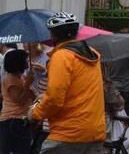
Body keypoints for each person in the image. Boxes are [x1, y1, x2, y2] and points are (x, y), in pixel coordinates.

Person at [28, 12, 106, 153]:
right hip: (94, 132)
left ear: (53, 35)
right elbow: (77, 90)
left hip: (68, 134)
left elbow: (55, 99)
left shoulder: (62, 57)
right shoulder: (91, 54)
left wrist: (35, 114)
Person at [0, 49, 36, 153]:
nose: (27, 62)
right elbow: (19, 100)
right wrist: (28, 83)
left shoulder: (23, 77)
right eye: (25, 60)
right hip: (13, 121)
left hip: (22, 120)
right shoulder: (10, 79)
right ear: (18, 62)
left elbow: (32, 97)